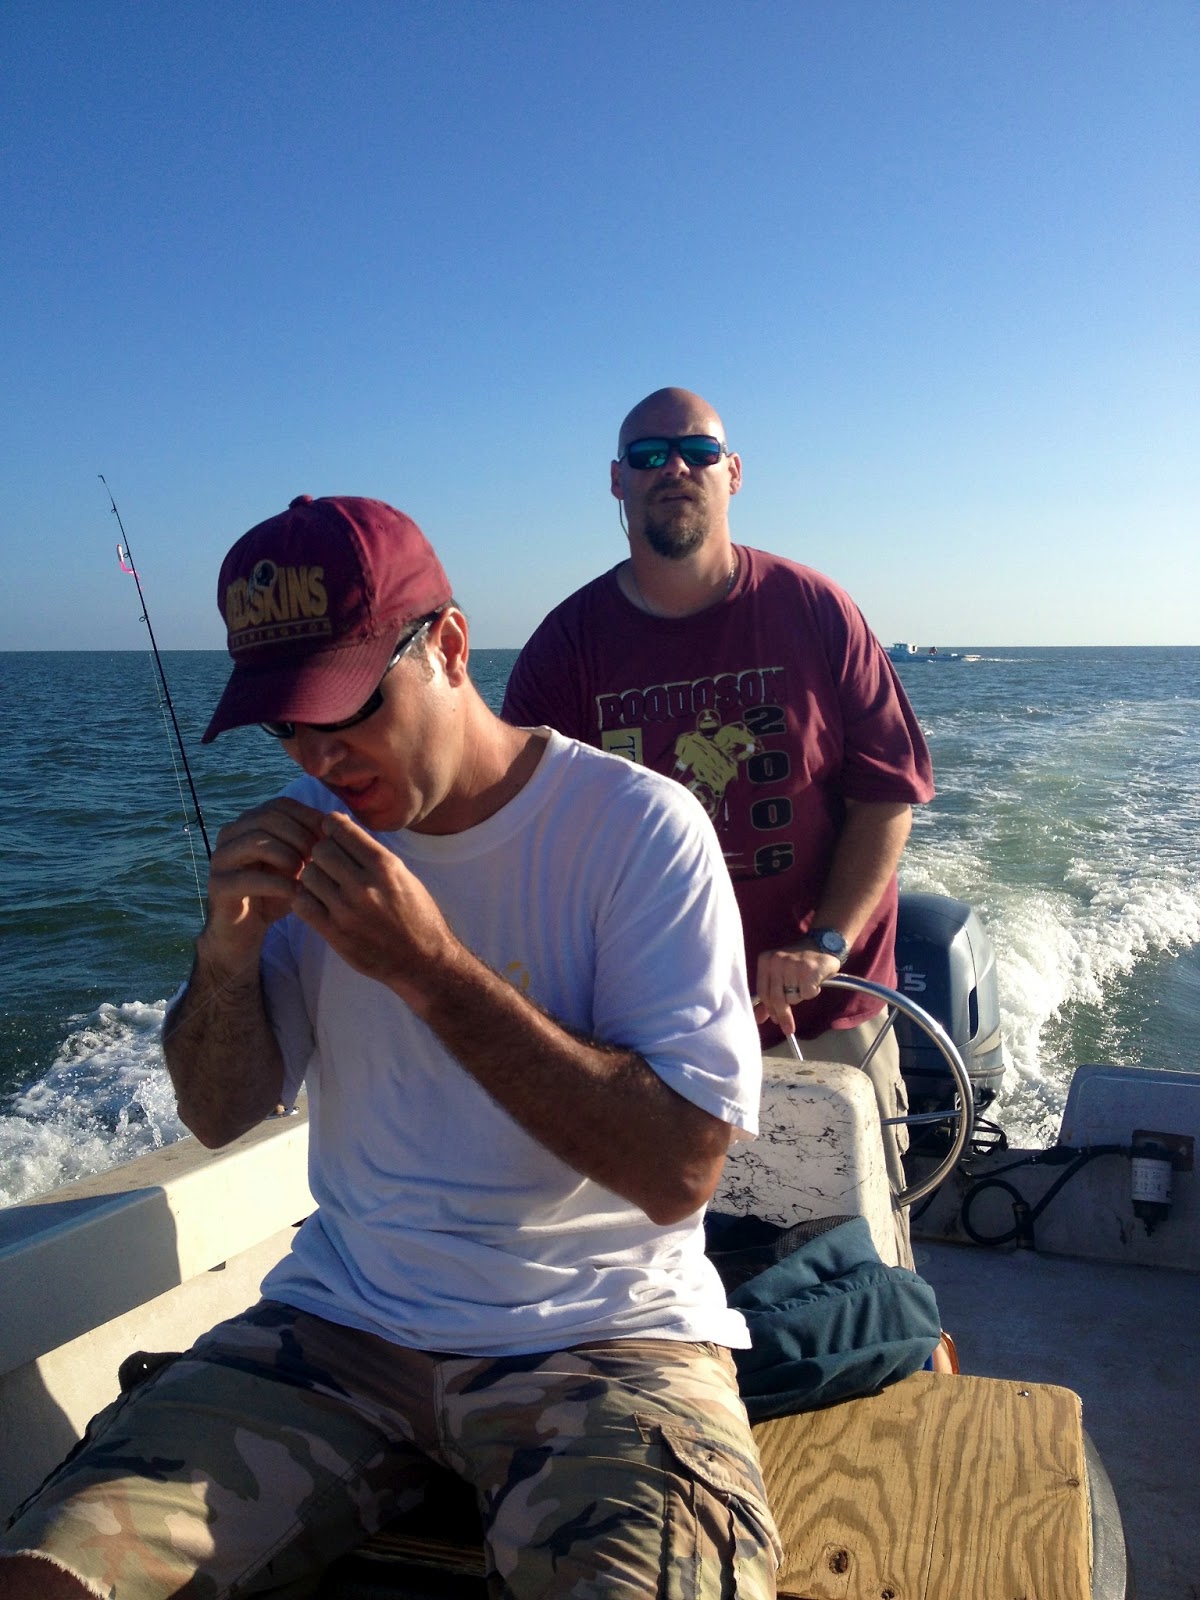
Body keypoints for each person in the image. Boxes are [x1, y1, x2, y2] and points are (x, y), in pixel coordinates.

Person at [0, 495, 780, 1599]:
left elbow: (680, 1170)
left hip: (608, 1342)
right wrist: (222, 964)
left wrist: (429, 968)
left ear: (450, 648)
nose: (320, 754)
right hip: (337, 1327)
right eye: (286, 724)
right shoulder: (306, 826)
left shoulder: (639, 830)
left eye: (346, 708)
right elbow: (221, 1116)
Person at [502, 389, 935, 1267]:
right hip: (648, 1030)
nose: (676, 469)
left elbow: (886, 797)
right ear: (617, 483)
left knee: (864, 1263)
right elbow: (526, 839)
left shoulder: (817, 612)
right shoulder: (564, 649)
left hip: (825, 1007)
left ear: (733, 473)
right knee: (665, 1271)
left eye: (698, 451)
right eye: (651, 454)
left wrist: (826, 940)